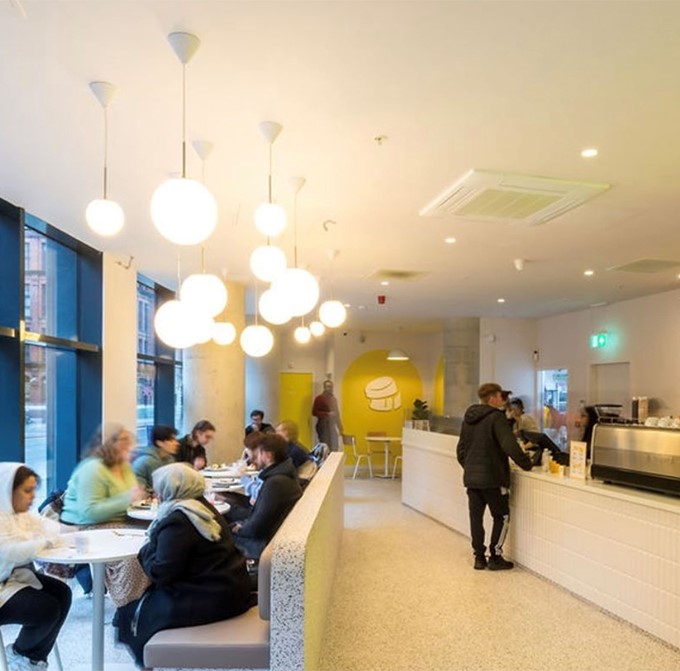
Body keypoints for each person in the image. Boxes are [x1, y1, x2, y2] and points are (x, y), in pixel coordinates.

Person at [115, 463, 253, 668]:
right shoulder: (203, 509)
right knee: (137, 608)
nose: (157, 495)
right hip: (229, 588)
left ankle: (147, 662)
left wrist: (145, 549)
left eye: (159, 489)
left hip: (208, 596)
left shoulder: (178, 520)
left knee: (127, 615)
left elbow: (161, 573)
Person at [60, 423, 149, 606]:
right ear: (110, 444)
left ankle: (149, 595)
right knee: (135, 552)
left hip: (118, 520)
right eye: (125, 443)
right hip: (86, 526)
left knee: (158, 535)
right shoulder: (92, 469)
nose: (131, 448)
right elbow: (89, 512)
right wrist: (128, 498)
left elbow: (133, 494)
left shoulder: (123, 465)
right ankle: (128, 601)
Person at [0, 463, 72, 670]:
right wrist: (43, 541)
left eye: (34, 490)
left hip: (12, 580)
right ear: (8, 490)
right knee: (46, 609)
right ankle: (20, 657)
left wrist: (73, 532)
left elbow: (49, 527)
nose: (33, 496)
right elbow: (10, 550)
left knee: (62, 593)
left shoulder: (21, 515)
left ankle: (31, 660)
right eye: (27, 490)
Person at [456, 383, 533, 571]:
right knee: (502, 516)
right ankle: (495, 556)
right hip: (493, 479)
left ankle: (479, 557)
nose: (503, 400)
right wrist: (526, 463)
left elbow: (460, 450)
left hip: (472, 479)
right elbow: (509, 445)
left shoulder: (468, 419)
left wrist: (471, 468)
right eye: (500, 396)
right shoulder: (496, 418)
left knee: (476, 518)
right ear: (492, 398)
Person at [231, 434, 302, 560]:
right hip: (272, 535)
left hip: (262, 544)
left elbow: (257, 527)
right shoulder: (284, 475)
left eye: (258, 454)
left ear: (267, 455)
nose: (255, 458)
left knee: (218, 536)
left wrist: (239, 529)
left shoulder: (275, 483)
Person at [132, 424, 179, 496]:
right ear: (159, 442)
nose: (176, 443)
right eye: (172, 440)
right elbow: (138, 490)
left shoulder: (170, 459)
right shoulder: (144, 461)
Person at [312, 380, 343, 451]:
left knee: (335, 445)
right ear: (324, 387)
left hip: (331, 425)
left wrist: (340, 427)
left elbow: (337, 414)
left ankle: (333, 458)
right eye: (327, 386)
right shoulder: (319, 398)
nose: (329, 388)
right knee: (325, 446)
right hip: (323, 425)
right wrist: (327, 414)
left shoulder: (333, 399)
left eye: (331, 386)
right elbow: (314, 412)